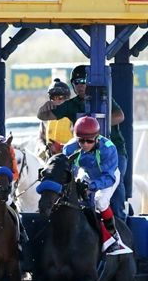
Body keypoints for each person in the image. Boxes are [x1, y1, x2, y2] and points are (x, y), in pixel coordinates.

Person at [37, 64, 127, 218]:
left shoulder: (105, 99)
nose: (81, 85)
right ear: (73, 85)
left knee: (115, 187)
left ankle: (120, 221)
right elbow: (42, 116)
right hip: (85, 153)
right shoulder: (71, 105)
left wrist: (92, 127)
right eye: (77, 82)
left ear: (90, 82)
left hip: (113, 151)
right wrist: (45, 106)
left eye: (84, 81)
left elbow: (120, 116)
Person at [62, 116, 133, 256]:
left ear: (97, 138)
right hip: (86, 173)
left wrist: (91, 187)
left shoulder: (108, 149)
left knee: (100, 201)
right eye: (81, 140)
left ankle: (114, 237)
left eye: (89, 141)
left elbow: (109, 177)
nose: (85, 144)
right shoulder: (69, 148)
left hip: (108, 175)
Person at [37, 78, 73, 160]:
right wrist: (43, 148)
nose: (57, 101)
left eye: (60, 98)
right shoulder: (46, 118)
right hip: (49, 159)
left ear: (67, 99)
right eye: (53, 98)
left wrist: (61, 147)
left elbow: (79, 141)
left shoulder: (73, 117)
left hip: (69, 159)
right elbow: (40, 138)